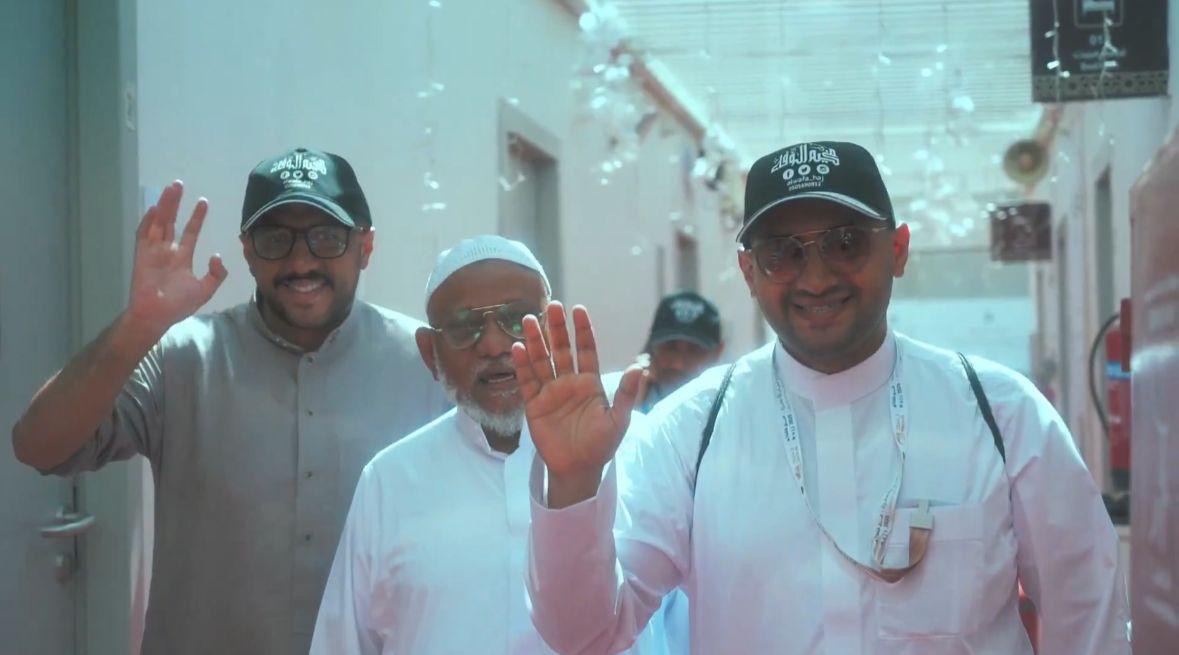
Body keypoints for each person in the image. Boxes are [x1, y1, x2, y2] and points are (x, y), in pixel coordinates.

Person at [511, 141, 1130, 654]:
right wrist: (574, 485)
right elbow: (586, 634)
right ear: (750, 273)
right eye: (782, 253)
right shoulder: (692, 431)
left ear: (897, 250)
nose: (815, 277)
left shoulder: (998, 412)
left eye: (845, 243)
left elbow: (1087, 613)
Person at [10, 147, 449, 654]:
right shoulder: (182, 358)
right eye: (275, 239)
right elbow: (38, 447)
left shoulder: (428, 363)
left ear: (365, 246)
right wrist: (137, 326)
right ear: (247, 250)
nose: (301, 261)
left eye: (327, 237)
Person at [311, 235, 664, 654]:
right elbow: (342, 643)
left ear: (552, 328)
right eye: (464, 327)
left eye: (517, 320)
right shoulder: (389, 479)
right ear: (429, 352)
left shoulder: (637, 447)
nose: (494, 345)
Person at [631, 290, 724, 414]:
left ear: (717, 353)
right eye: (670, 347)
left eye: (694, 351)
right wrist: (632, 405)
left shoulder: (733, 411)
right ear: (652, 349)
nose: (678, 364)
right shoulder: (625, 399)